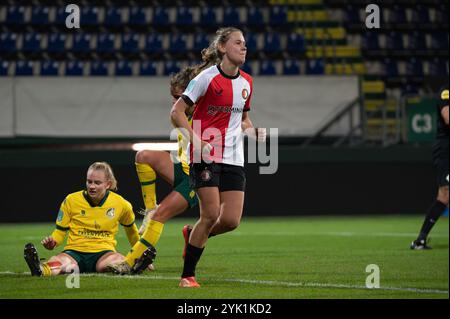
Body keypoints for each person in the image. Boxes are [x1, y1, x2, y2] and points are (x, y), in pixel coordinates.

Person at [171, 27, 266, 287]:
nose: (244, 47)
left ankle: (192, 234)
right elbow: (177, 112)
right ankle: (187, 276)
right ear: (222, 48)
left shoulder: (247, 82)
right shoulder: (206, 78)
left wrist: (254, 131)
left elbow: (243, 120)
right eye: (238, 42)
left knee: (231, 221)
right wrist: (196, 139)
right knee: (211, 215)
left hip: (234, 157)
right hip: (205, 155)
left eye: (245, 43)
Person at [106, 63, 211, 274]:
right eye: (173, 97)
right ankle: (150, 207)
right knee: (143, 156)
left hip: (196, 178)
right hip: (181, 168)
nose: (175, 102)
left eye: (179, 97)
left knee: (162, 217)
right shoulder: (180, 114)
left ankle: (129, 262)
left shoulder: (208, 117)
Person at [23, 162, 146, 276]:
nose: (92, 186)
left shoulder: (122, 204)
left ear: (108, 184)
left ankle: (135, 265)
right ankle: (40, 270)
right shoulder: (71, 200)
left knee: (117, 260)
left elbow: (132, 232)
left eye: (97, 183)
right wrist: (53, 242)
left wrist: (139, 253)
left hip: (104, 253)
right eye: (89, 181)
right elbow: (60, 232)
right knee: (61, 261)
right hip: (74, 253)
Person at [411, 87, 449, 249]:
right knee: (445, 193)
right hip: (446, 149)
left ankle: (420, 240)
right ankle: (420, 240)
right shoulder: (446, 92)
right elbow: (448, 117)